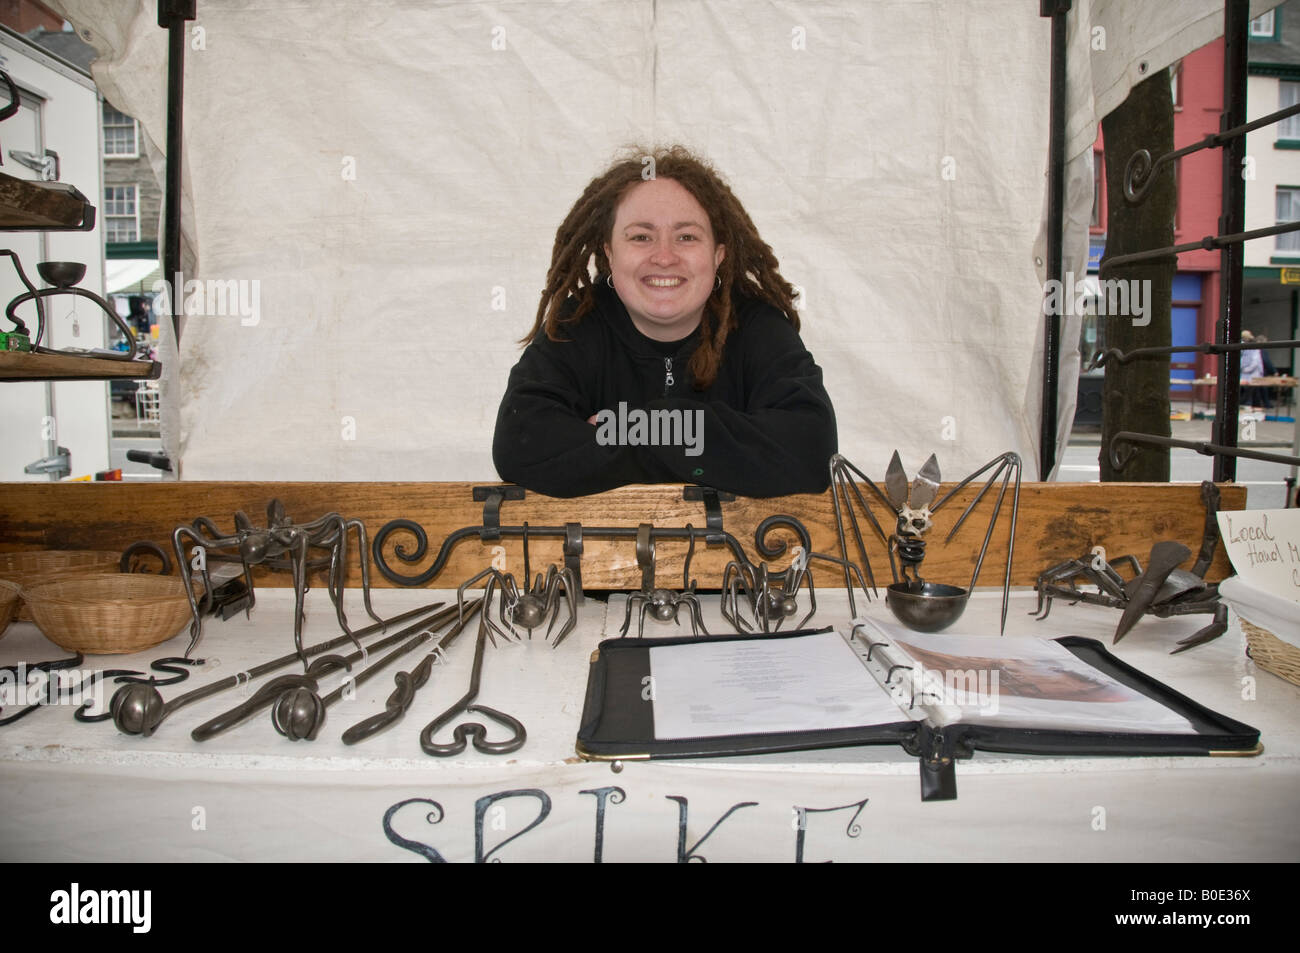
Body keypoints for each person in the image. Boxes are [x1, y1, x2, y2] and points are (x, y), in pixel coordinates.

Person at [492, 146, 837, 498]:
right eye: (641, 236)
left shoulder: (757, 326)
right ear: (610, 254)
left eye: (686, 237)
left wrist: (632, 428)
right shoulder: (578, 323)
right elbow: (520, 442)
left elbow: (810, 448)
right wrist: (706, 450)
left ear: (718, 255)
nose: (664, 257)